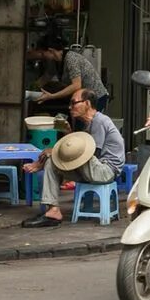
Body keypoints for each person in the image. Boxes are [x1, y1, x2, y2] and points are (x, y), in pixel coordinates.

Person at [22, 89, 125, 227]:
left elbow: (91, 153)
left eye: (74, 103)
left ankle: (42, 164)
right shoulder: (88, 124)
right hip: (92, 168)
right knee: (52, 163)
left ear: (87, 103)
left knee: (57, 154)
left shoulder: (99, 121)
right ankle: (53, 210)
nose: (70, 107)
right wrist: (68, 134)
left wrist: (54, 151)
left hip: (105, 170)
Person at [29, 38, 107, 112]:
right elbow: (48, 75)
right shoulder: (55, 60)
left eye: (43, 54)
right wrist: (32, 88)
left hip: (95, 97)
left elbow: (76, 85)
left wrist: (52, 96)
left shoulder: (71, 58)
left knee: (87, 123)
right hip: (83, 97)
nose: (43, 57)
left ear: (51, 51)